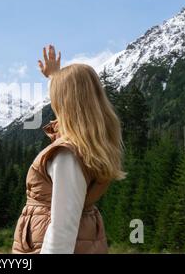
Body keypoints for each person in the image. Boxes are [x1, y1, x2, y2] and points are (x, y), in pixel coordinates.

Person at [12, 45, 125, 254]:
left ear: (64, 103)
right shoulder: (85, 147)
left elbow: (62, 229)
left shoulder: (67, 155)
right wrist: (55, 77)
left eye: (57, 97)